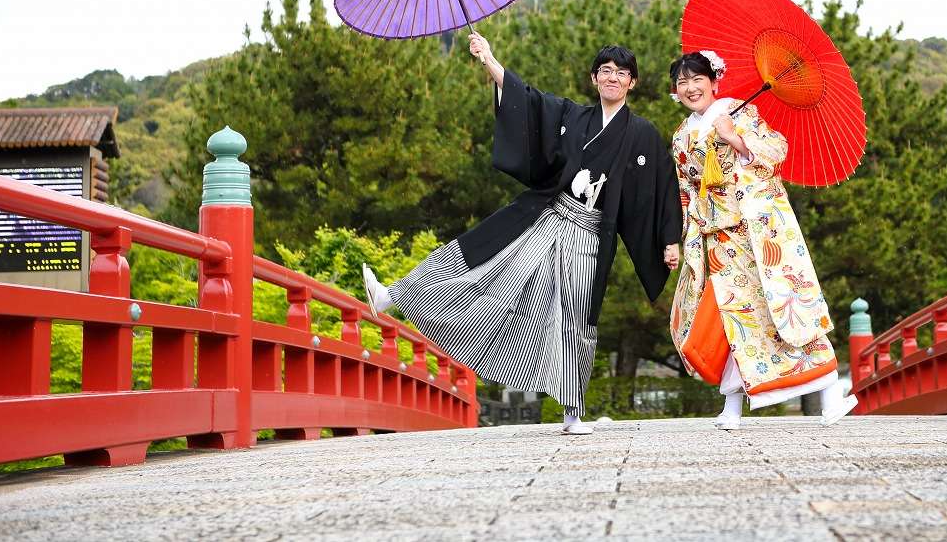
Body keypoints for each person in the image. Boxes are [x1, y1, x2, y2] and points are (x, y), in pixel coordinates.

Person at [363, 34, 683, 434]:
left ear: (632, 82)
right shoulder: (572, 116)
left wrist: (669, 240)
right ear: (594, 78)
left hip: (588, 234)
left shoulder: (643, 135)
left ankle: (572, 411)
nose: (613, 78)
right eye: (606, 71)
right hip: (547, 218)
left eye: (621, 73)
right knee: (484, 264)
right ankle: (393, 295)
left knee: (576, 314)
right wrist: (490, 59)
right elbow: (529, 102)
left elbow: (661, 189)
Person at [666, 50, 857, 429]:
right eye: (682, 82)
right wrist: (681, 237)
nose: (689, 88)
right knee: (735, 317)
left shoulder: (738, 112)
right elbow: (685, 190)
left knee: (790, 305)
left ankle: (831, 396)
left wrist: (735, 139)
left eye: (696, 79)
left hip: (761, 232)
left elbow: (776, 151)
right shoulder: (681, 136)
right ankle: (732, 408)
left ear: (713, 82)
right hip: (719, 236)